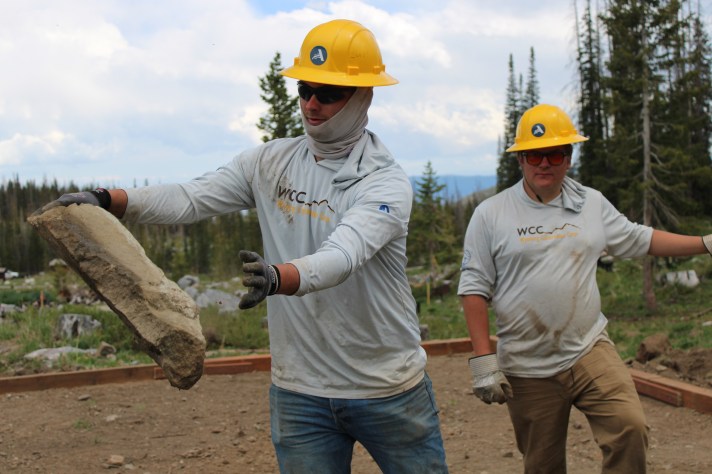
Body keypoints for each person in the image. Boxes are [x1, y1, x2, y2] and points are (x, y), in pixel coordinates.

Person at [36, 19, 448, 474]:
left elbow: (342, 256)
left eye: (329, 93)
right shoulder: (270, 161)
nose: (311, 103)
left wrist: (278, 277)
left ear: (363, 96)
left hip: (386, 387)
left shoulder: (383, 182)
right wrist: (108, 199)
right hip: (300, 391)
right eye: (304, 89)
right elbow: (192, 196)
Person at [457, 103, 712, 474]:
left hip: (589, 348)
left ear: (570, 158)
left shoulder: (590, 203)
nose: (545, 164)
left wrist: (704, 243)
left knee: (629, 427)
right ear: (520, 159)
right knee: (542, 465)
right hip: (527, 364)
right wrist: (483, 361)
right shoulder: (491, 214)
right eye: (535, 155)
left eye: (556, 154)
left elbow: (640, 239)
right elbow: (473, 288)